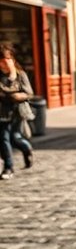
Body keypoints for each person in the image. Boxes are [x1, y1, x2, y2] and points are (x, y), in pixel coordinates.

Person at [0, 47, 34, 180]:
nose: (5, 63)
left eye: (8, 59)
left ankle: (27, 149)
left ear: (13, 60)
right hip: (2, 112)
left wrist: (19, 95)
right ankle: (8, 167)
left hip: (17, 112)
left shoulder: (20, 75)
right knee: (4, 138)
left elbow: (29, 93)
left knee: (15, 138)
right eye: (2, 61)